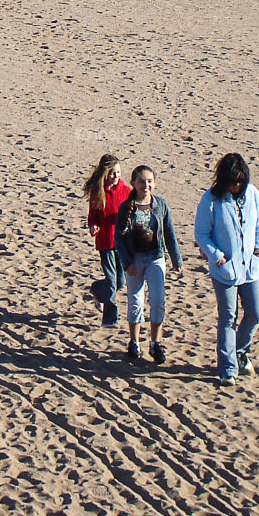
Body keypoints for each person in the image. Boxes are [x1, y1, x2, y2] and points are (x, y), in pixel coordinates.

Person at [194, 153, 259, 387]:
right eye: (233, 181)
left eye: (240, 181)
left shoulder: (253, 194)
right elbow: (202, 233)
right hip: (225, 270)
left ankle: (240, 350)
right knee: (228, 317)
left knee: (256, 313)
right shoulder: (211, 199)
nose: (237, 186)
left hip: (251, 268)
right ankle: (228, 368)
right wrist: (217, 256)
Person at [115, 165, 182, 365]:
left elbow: (169, 232)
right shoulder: (126, 207)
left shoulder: (160, 205)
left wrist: (176, 259)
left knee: (157, 300)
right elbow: (119, 239)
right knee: (135, 301)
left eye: (150, 181)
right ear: (133, 183)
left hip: (155, 257)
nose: (146, 185)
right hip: (134, 259)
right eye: (142, 181)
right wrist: (127, 263)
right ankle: (134, 342)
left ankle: (155, 342)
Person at [84, 154, 131, 329]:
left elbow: (132, 213)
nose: (116, 176)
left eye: (118, 173)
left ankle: (97, 289)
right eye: (112, 173)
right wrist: (93, 226)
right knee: (112, 281)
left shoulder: (126, 192)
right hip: (105, 243)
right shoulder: (97, 193)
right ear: (104, 174)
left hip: (122, 243)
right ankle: (110, 318)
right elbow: (93, 217)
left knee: (120, 282)